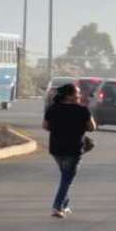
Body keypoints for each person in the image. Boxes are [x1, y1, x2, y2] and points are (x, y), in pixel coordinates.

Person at [43, 83, 96, 218]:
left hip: (56, 149)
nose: (79, 96)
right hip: (73, 149)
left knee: (65, 177)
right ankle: (57, 207)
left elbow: (45, 126)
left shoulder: (52, 108)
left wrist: (58, 128)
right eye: (77, 93)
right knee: (67, 179)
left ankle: (65, 205)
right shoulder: (82, 110)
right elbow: (92, 127)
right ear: (69, 96)